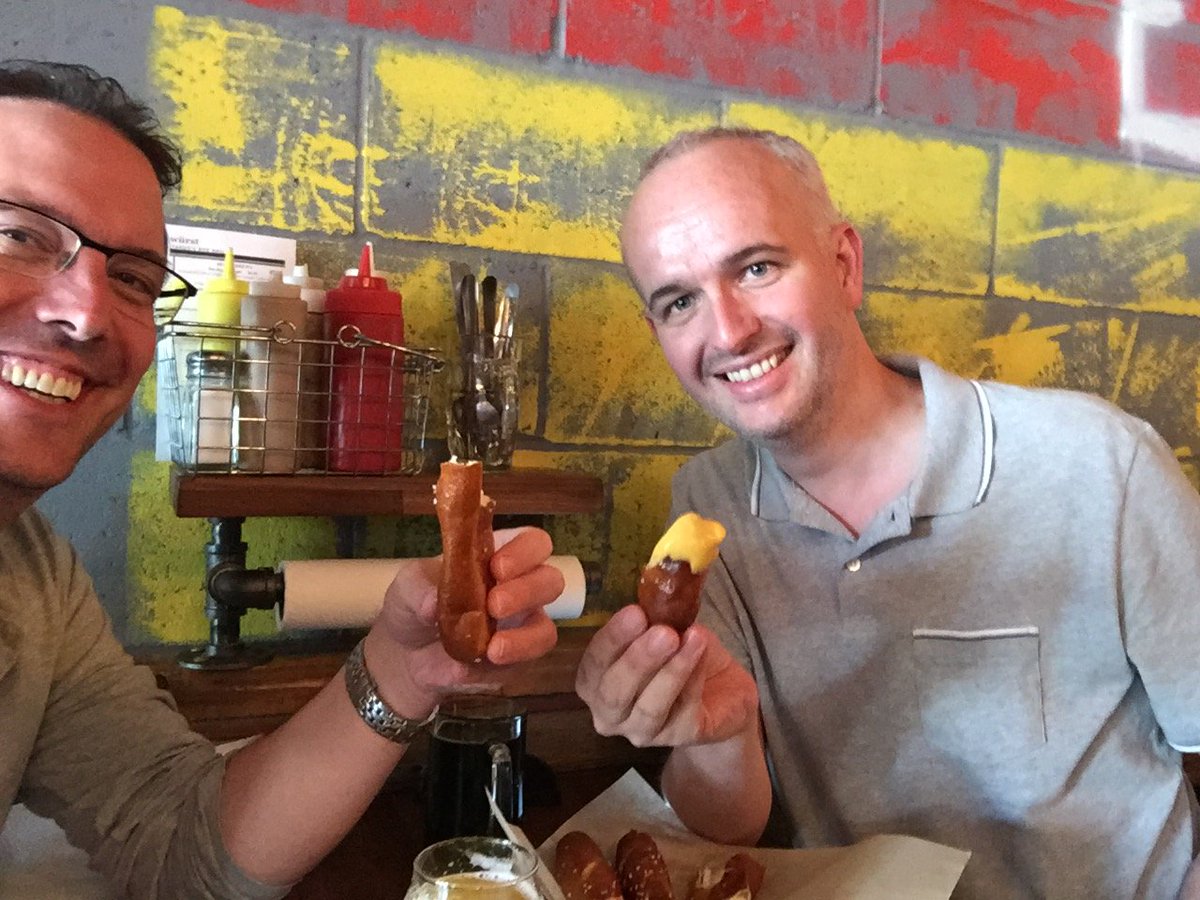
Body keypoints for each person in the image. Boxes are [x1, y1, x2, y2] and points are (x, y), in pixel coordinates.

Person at [576, 126, 1200, 899]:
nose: (728, 331)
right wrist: (722, 735)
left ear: (844, 265)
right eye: (679, 302)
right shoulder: (708, 505)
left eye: (758, 267)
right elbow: (725, 828)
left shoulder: (1102, 462)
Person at [0, 60, 564, 897]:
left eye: (133, 280)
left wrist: (404, 671)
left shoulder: (33, 577)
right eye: (20, 235)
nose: (85, 313)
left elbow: (186, 845)